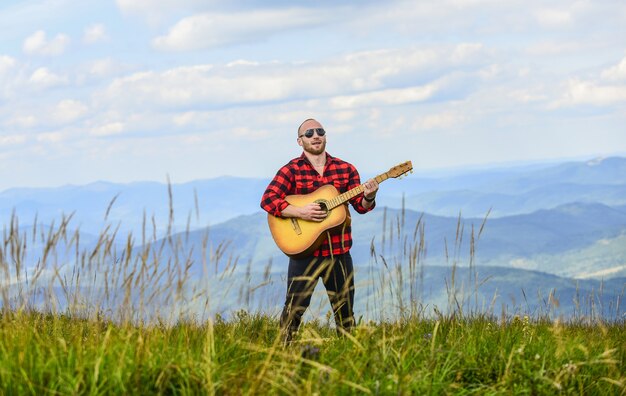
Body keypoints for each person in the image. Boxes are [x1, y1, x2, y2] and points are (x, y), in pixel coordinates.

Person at [260, 118, 379, 343]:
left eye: (320, 131)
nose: (315, 135)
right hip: (304, 252)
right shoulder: (291, 170)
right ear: (300, 141)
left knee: (345, 314)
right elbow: (268, 199)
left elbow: (361, 208)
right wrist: (299, 212)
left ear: (325, 136)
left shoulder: (346, 169)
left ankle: (347, 357)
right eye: (309, 133)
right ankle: (283, 355)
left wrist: (369, 196)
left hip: (339, 253)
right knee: (294, 311)